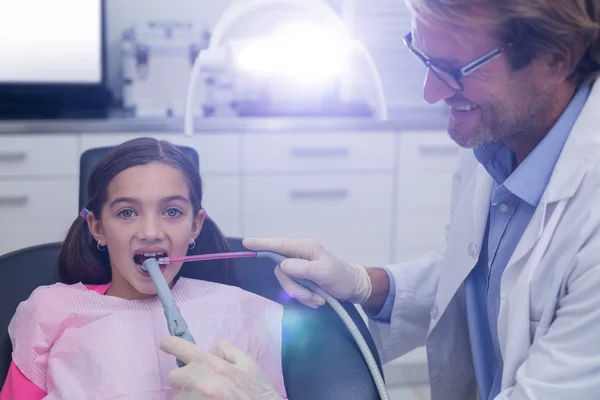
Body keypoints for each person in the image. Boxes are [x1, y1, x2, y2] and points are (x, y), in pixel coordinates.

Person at [159, 0, 600, 399]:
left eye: (455, 68)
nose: (431, 91)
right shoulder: (498, 141)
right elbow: (481, 276)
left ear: (555, 60)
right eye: (424, 56)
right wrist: (364, 283)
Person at [0, 138, 286, 400]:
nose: (150, 232)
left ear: (195, 225)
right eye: (127, 212)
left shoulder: (245, 312)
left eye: (172, 211)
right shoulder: (50, 310)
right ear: (98, 228)